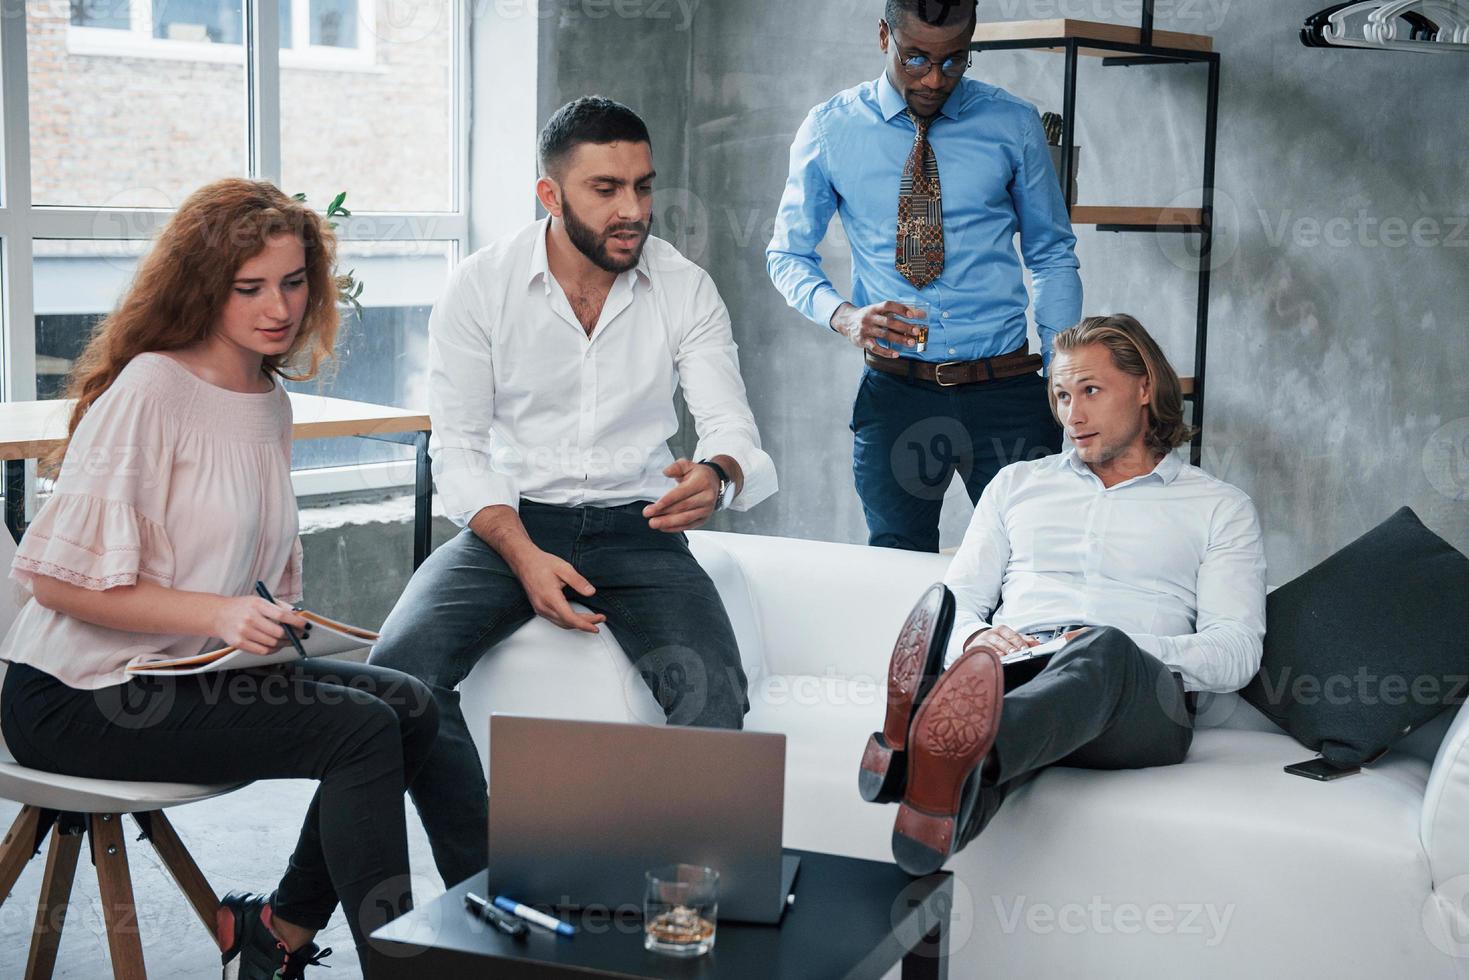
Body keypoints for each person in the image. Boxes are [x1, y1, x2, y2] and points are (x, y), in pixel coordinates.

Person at [0, 179, 438, 979]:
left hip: (185, 674)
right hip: (76, 694)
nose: (280, 307)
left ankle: (279, 931)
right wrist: (222, 612)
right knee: (361, 730)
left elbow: (246, 575)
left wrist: (269, 620)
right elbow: (53, 583)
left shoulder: (268, 403)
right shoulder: (152, 389)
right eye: (250, 287)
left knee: (407, 701)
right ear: (205, 286)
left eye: (294, 281)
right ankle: (397, 967)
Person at [369, 96, 777, 888]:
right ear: (549, 196)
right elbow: (457, 448)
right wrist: (522, 555)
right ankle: (487, 896)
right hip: (511, 523)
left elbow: (732, 425)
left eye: (643, 187)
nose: (633, 211)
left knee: (714, 698)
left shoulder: (685, 287)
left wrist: (717, 475)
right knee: (397, 679)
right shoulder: (479, 287)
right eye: (606, 190)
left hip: (641, 526)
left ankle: (692, 919)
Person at [859, 315, 1267, 875]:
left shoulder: (1220, 507)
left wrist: (1122, 648)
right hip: (1020, 671)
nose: (1072, 415)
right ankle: (940, 798)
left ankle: (928, 740)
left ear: (1145, 387)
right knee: (996, 677)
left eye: (1091, 391)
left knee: (1103, 651)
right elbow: (957, 600)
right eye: (1061, 395)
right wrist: (980, 639)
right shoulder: (1015, 485)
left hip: (1142, 699)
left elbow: (1237, 650)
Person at [767, 0, 1083, 553]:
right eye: (915, 60)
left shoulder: (1013, 124)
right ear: (883, 35)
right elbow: (787, 255)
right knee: (897, 569)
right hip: (898, 394)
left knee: (1033, 567)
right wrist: (844, 316)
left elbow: (1052, 252)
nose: (935, 80)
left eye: (954, 62)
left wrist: (1063, 372)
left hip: (1007, 391)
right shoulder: (831, 129)